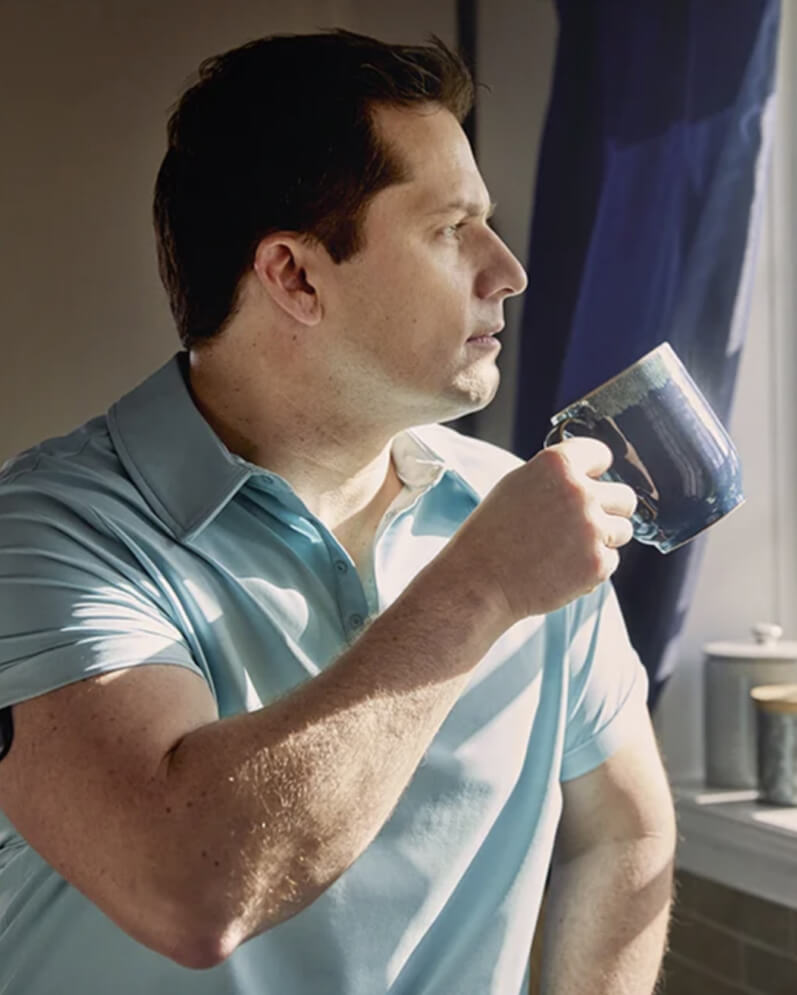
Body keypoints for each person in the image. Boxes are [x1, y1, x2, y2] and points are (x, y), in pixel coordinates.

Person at [0, 28, 675, 995]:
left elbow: (620, 831)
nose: (507, 269)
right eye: (450, 228)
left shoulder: (520, 512)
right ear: (295, 275)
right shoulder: (45, 538)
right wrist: (481, 588)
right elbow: (191, 889)